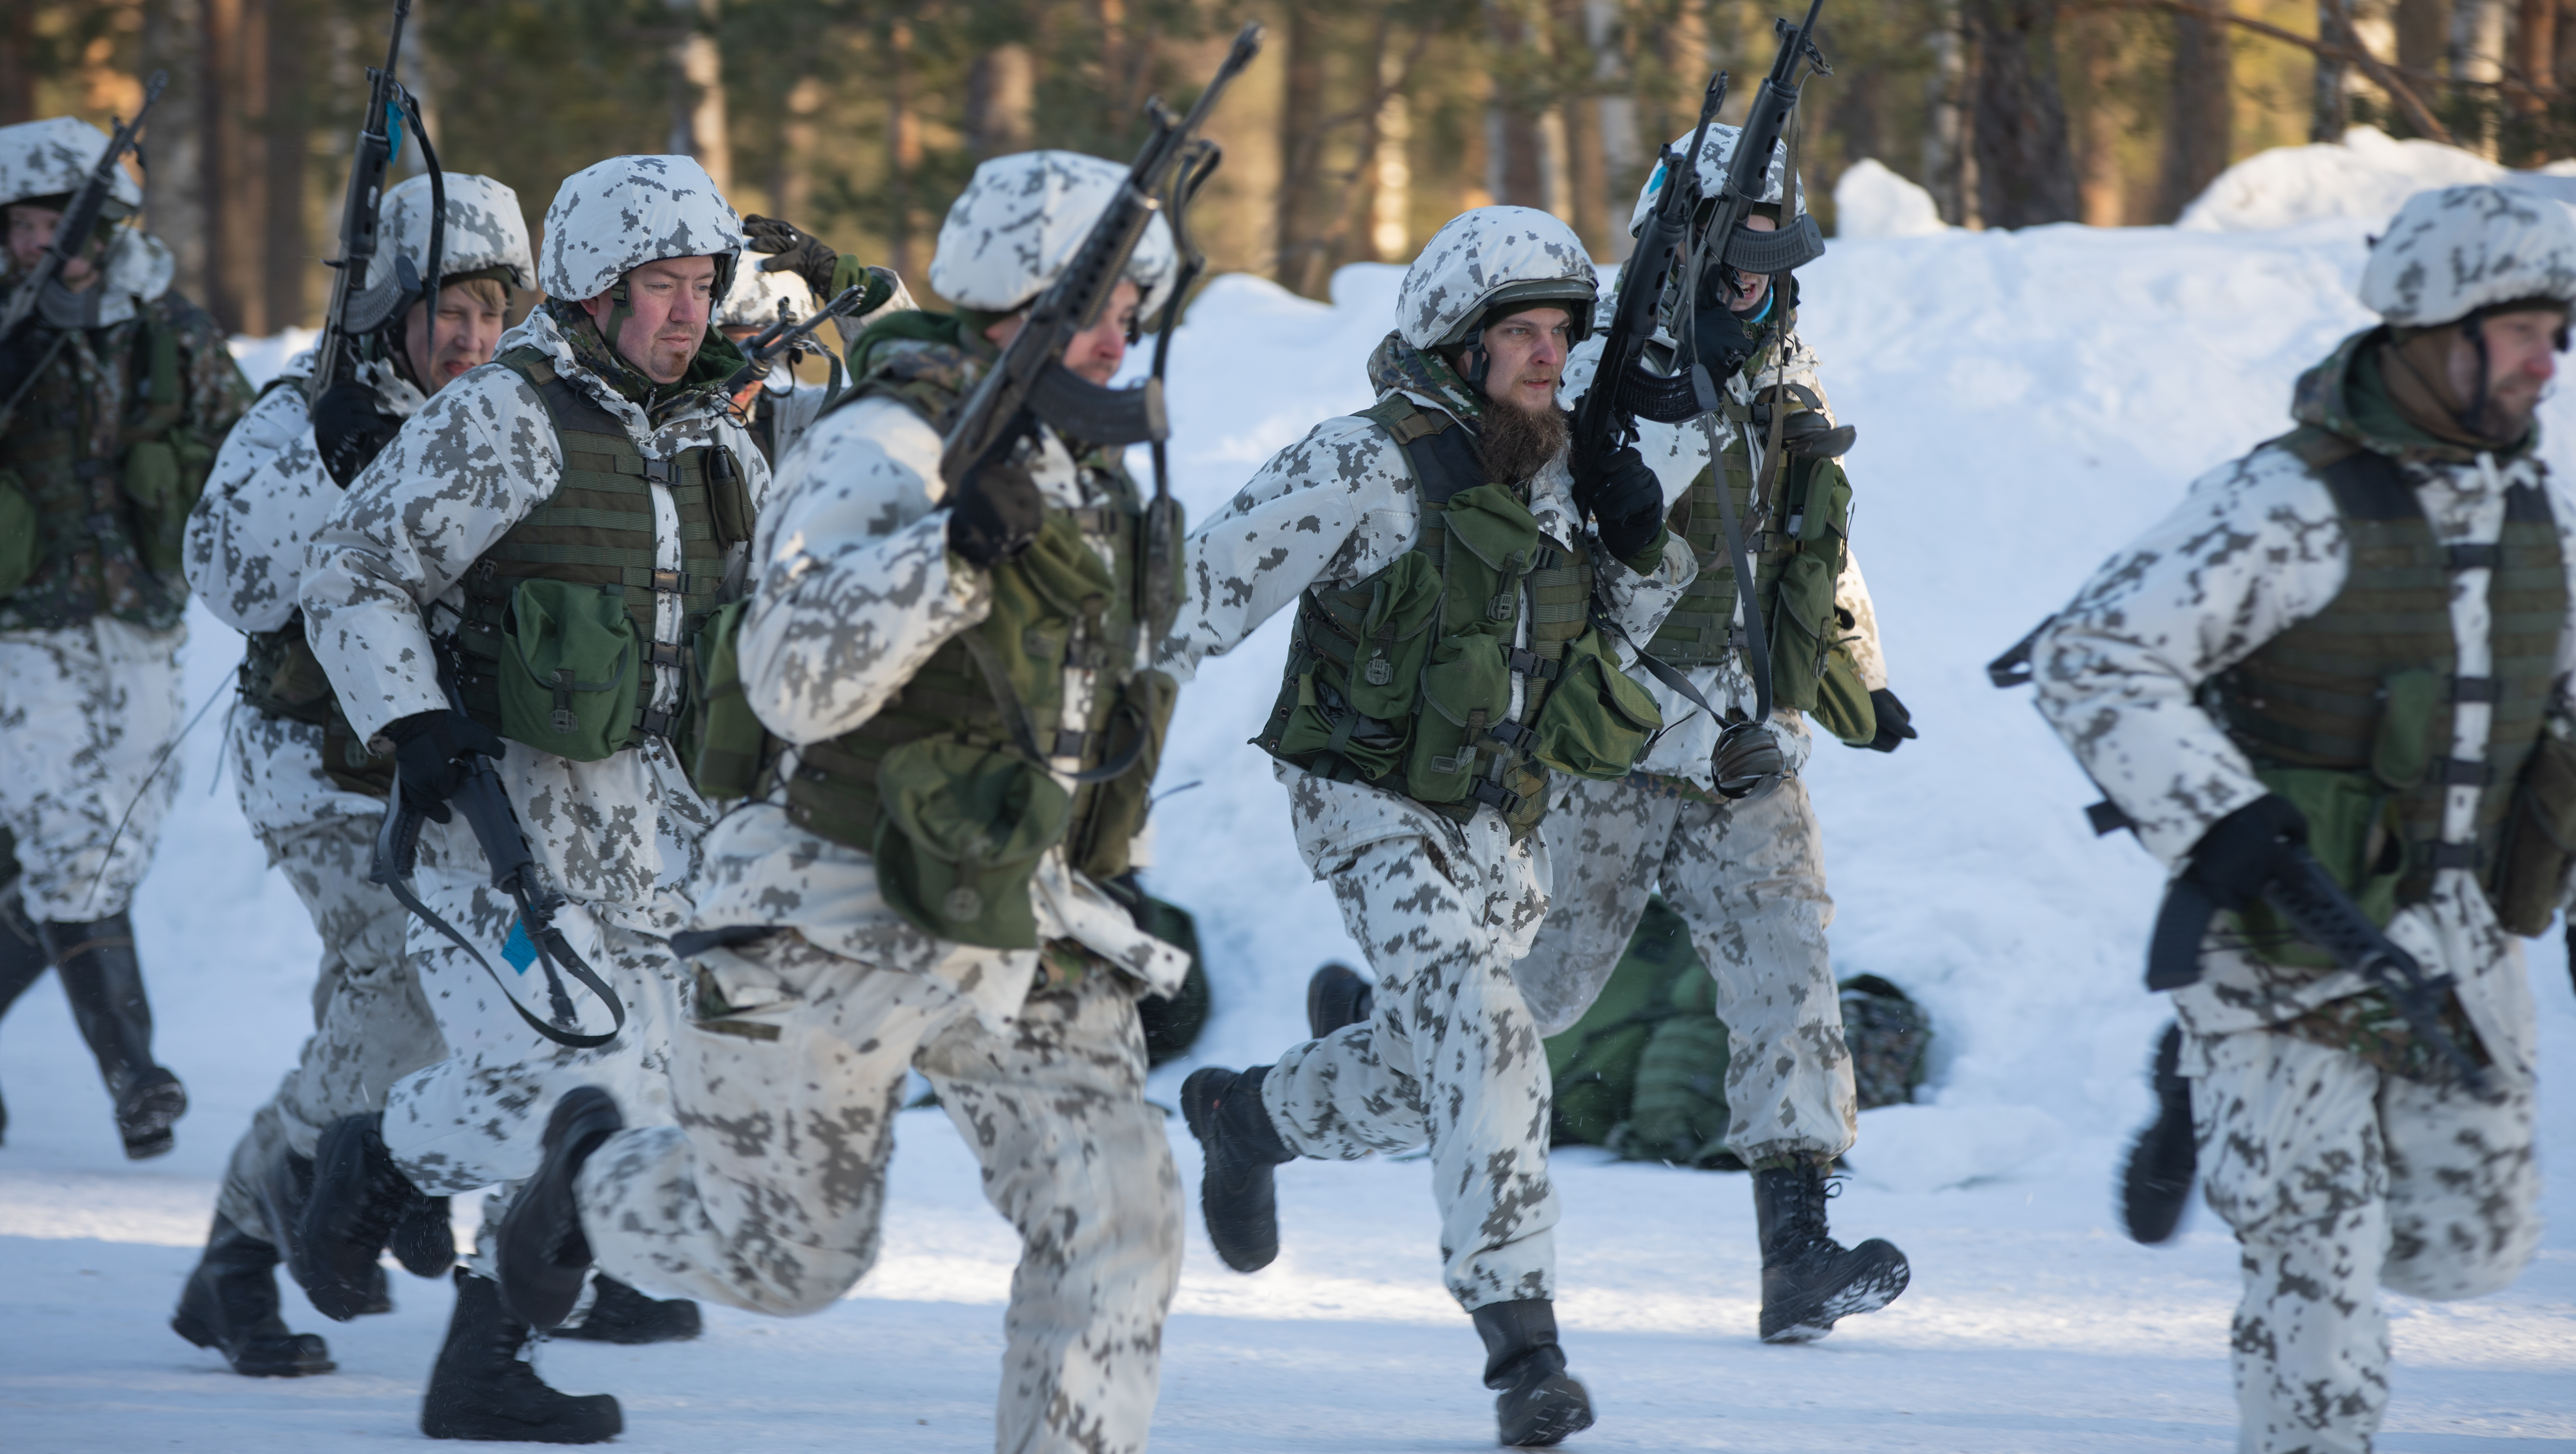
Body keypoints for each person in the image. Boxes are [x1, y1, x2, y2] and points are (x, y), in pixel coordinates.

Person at [490, 148, 1192, 1454]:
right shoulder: (890, 443)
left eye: (1132, 311)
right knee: (792, 1261)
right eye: (1094, 310)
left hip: (1014, 907)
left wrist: (1117, 862)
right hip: (827, 906)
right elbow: (792, 679)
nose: (1117, 339)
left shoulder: (1096, 467)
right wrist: (948, 553)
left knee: (1122, 1222)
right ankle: (589, 1180)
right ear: (1010, 310)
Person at [2027, 185, 2576, 1454]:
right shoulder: (2286, 503)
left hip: (2455, 942)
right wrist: (2220, 819)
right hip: (2277, 942)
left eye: (2555, 332)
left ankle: (2190, 1096)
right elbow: (2092, 655)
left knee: (2471, 1251)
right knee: (2321, 1268)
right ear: (2430, 328)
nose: (2548, 359)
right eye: (2520, 328)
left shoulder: (2541, 514)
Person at [1160, 206, 1691, 1447]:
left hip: (1500, 820)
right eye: (1519, 331)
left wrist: (1637, 532)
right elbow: (1191, 597)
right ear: (1457, 343)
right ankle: (1524, 1349)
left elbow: (1646, 635)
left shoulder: (1565, 467)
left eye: (1562, 330)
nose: (1548, 355)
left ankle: (1253, 1118)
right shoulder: (1360, 462)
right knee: (1487, 1027)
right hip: (1365, 800)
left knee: (1447, 1058)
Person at [296, 154, 766, 1442]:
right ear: (594, 294)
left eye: (703, 286)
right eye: (661, 288)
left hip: (649, 824)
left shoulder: (717, 438)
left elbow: (756, 621)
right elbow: (351, 579)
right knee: (580, 1093)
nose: (689, 315)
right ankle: (484, 1357)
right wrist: (414, 723)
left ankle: (383, 1163)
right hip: (490, 811)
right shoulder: (503, 421)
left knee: (592, 1091)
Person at [1531, 128, 1912, 1343]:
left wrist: (1860, 679)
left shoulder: (1784, 371)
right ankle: (1286, 1101)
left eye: (1771, 259)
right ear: (1675, 248)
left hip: (1743, 747)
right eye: (1729, 259)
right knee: (1536, 993)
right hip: (1608, 749)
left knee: (1788, 974)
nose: (1751, 281)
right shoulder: (1585, 366)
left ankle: (1796, 1252)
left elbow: (1813, 546)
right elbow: (1507, 550)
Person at [171, 171, 526, 1379]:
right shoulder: (300, 414)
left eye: (488, 310)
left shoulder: (513, 416)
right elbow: (226, 574)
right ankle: (288, 1194)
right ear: (388, 309)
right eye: (443, 311)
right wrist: (331, 467)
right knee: (395, 980)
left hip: (442, 768)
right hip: (317, 766)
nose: (467, 337)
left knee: (405, 1006)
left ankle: (239, 1257)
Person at [0, 113, 251, 1161]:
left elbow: (247, 446)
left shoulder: (167, 327)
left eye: (59, 226)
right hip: (21, 626)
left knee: (107, 849)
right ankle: (134, 1076)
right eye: (19, 228)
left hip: (141, 623)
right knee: (69, 843)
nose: (38, 247)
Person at [710, 219, 914, 472]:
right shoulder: (650, 425)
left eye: (769, 353)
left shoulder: (796, 422)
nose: (752, 372)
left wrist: (860, 296)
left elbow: (916, 404)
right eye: (735, 349)